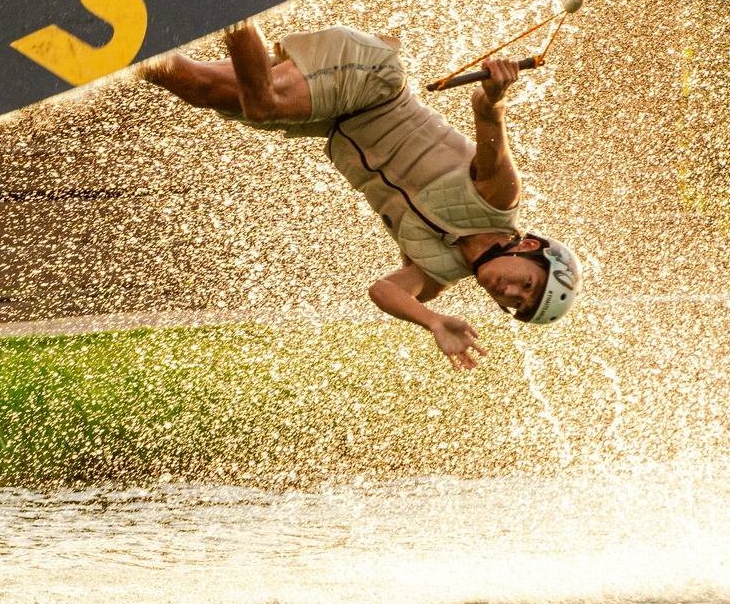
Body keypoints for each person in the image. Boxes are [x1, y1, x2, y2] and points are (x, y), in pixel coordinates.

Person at [141, 23, 580, 368]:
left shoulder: (436, 273)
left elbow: (383, 291)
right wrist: (497, 90)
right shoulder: (499, 198)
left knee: (190, 83)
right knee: (264, 103)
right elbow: (487, 113)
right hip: (369, 83)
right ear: (529, 248)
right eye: (526, 283)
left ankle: (118, 41)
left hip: (330, 118)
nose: (507, 291)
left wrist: (432, 322)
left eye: (514, 303)